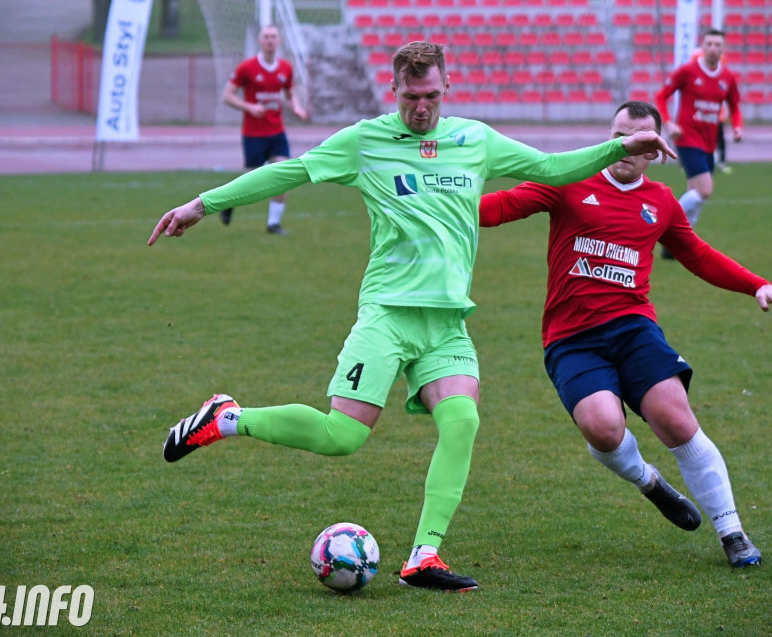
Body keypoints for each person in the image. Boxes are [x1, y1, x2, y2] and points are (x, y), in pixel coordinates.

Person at [148, 43, 676, 592]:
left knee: (462, 421)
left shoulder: (474, 139)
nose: (421, 108)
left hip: (446, 321)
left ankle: (424, 556)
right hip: (388, 313)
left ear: (446, 88)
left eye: (430, 96)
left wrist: (620, 145)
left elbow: (549, 167)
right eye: (410, 97)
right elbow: (291, 172)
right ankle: (227, 417)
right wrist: (202, 205)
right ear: (394, 89)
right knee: (342, 436)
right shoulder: (366, 141)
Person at [479, 100, 772, 568]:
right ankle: (649, 481)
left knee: (676, 420)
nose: (624, 146)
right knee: (603, 428)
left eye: (636, 140)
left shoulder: (661, 202)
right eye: (617, 136)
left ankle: (732, 532)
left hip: (633, 329)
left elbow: (698, 256)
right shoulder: (569, 179)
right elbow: (498, 208)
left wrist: (758, 284)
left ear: (655, 150)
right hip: (572, 337)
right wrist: (439, 200)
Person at [655, 29, 743, 256]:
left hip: (708, 145)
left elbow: (735, 107)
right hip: (687, 139)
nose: (713, 48)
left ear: (723, 49)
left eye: (717, 45)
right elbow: (661, 96)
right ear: (702, 47)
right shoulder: (688, 71)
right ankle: (665, 229)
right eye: (709, 44)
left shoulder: (727, 78)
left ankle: (675, 246)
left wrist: (737, 126)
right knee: (705, 190)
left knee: (695, 195)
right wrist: (668, 124)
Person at [218, 24, 308, 234]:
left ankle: (273, 223)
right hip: (253, 134)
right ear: (259, 41)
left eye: (273, 37)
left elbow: (290, 94)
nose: (270, 40)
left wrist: (296, 107)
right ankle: (228, 202)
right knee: (251, 182)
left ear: (279, 41)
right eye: (266, 36)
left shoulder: (285, 68)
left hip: (277, 132)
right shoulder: (247, 67)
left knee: (284, 174)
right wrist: (249, 106)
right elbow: (227, 96)